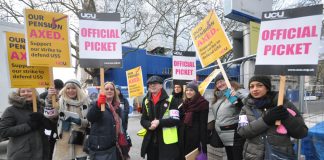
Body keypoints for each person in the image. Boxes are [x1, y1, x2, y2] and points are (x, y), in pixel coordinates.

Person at [237, 75, 308, 159]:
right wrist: (265, 120)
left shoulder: (284, 104)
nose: (254, 89)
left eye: (259, 85)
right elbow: (242, 131)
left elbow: (301, 132)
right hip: (253, 155)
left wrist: (287, 117)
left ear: (267, 88)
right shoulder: (246, 108)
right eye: (251, 86)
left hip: (279, 155)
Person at [0, 88, 55, 159]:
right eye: (23, 91)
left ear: (35, 93)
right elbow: (3, 131)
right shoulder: (11, 110)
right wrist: (29, 125)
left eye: (29, 91)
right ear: (18, 94)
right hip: (22, 154)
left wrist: (45, 120)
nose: (26, 93)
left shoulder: (41, 108)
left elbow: (50, 129)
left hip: (43, 153)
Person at [87, 81, 130, 160]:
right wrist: (98, 105)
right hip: (101, 148)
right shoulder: (95, 104)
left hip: (115, 146)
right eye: (106, 89)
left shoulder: (118, 108)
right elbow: (90, 117)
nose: (109, 90)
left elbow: (122, 127)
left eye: (112, 89)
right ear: (102, 92)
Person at [140, 75, 180, 160]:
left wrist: (159, 122)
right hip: (151, 141)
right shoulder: (146, 100)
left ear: (161, 85)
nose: (152, 85)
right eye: (150, 84)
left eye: (155, 83)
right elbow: (143, 120)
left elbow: (176, 120)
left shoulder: (171, 99)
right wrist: (148, 125)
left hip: (166, 144)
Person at [48, 79, 90, 160]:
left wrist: (80, 121)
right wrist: (50, 99)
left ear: (78, 90)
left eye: (73, 88)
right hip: (63, 142)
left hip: (80, 142)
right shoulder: (60, 102)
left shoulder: (86, 102)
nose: (70, 90)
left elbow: (90, 122)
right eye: (68, 88)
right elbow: (50, 114)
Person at [211, 73, 248, 160]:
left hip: (235, 134)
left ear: (228, 81)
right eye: (217, 83)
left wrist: (237, 95)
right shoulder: (218, 97)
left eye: (221, 81)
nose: (219, 84)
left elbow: (249, 102)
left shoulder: (238, 91)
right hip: (224, 135)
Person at [179, 81, 209, 159]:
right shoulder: (185, 103)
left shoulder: (203, 103)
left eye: (191, 90)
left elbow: (203, 124)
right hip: (184, 136)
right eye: (187, 90)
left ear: (196, 92)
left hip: (195, 138)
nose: (188, 92)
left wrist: (203, 143)